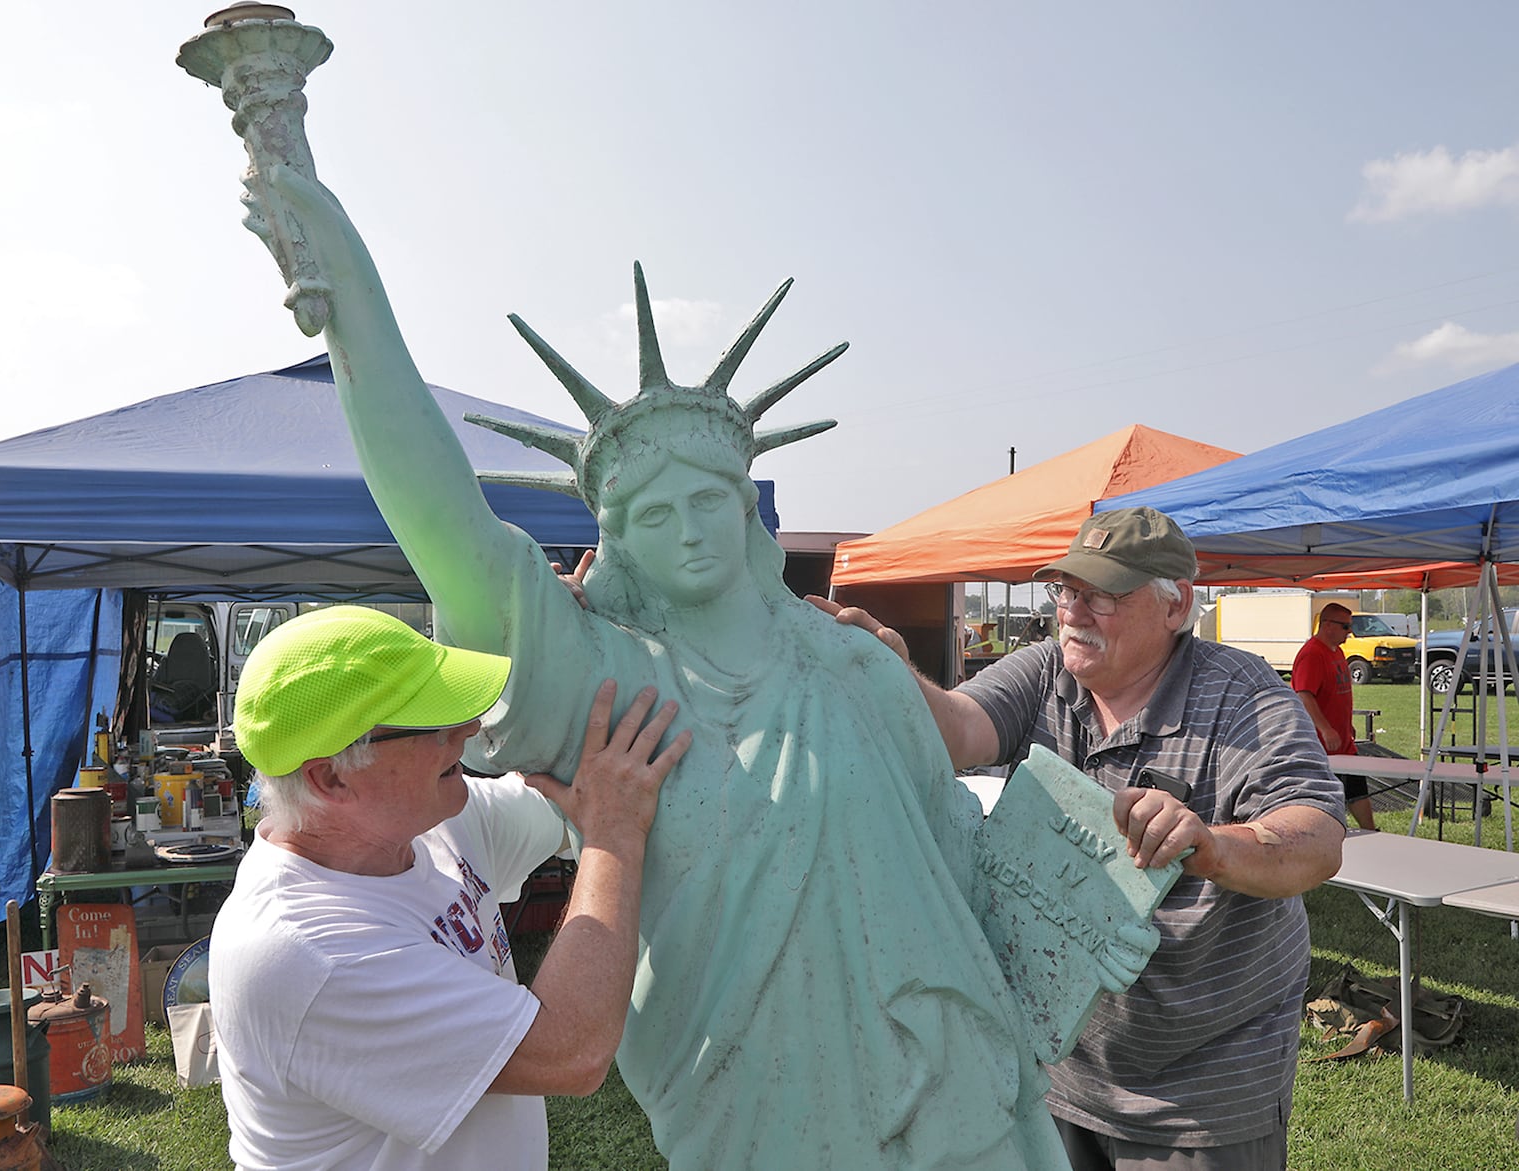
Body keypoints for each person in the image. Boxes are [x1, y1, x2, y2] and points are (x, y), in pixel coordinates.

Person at [219, 153, 1088, 1167]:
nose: (688, 531)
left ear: (748, 508)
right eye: (654, 511)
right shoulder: (607, 682)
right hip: (743, 1095)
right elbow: (446, 524)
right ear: (618, 535)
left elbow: (949, 841)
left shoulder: (847, 663)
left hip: (940, 1067)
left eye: (708, 500)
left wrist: (1088, 877)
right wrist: (350, 302)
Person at [820, 507, 1346, 1171]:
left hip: (1201, 1095)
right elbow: (957, 730)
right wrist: (893, 676)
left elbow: (1317, 838)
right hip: (1058, 1067)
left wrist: (1209, 844)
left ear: (1175, 603)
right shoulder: (1046, 672)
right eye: (1067, 591)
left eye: (1102, 594)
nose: (1073, 612)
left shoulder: (1243, 696)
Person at [209, 605, 690, 1170]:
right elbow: (571, 1051)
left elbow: (582, 791)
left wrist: (573, 637)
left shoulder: (426, 823)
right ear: (331, 777)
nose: (468, 728)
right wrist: (613, 837)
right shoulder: (306, 954)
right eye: (434, 723)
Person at [1292, 602, 1376, 829]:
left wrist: (1346, 725)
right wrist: (1325, 728)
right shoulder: (1312, 654)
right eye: (1345, 626)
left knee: (1357, 790)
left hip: (1343, 743)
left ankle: (1370, 831)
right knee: (1327, 801)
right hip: (1320, 747)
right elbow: (1304, 695)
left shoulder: (1336, 651)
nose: (1349, 632)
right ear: (1327, 625)